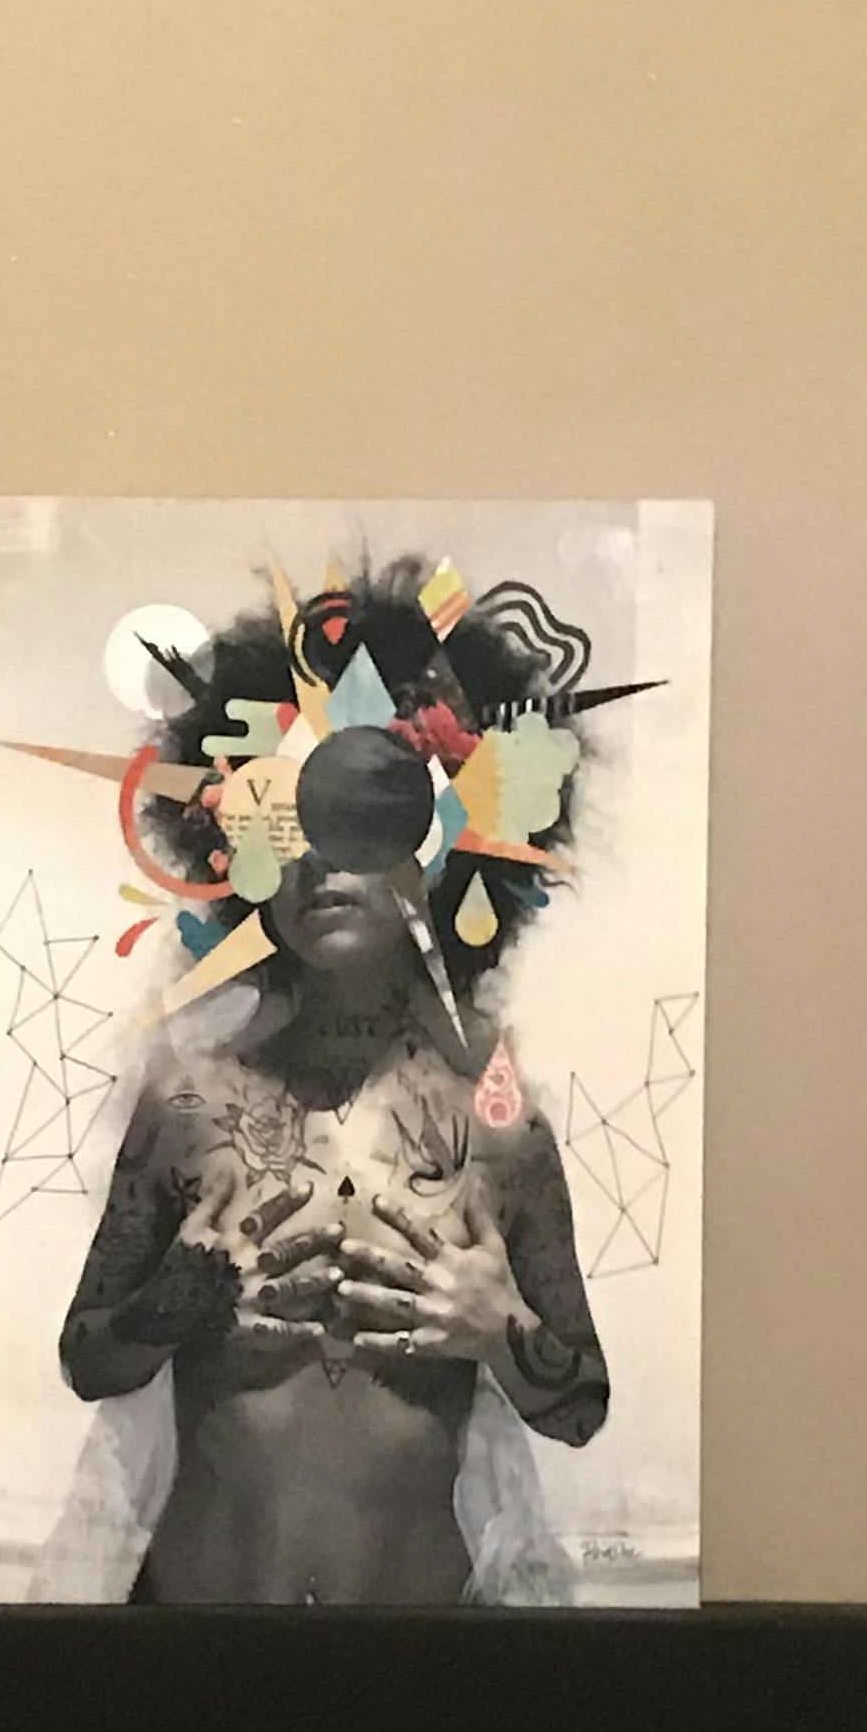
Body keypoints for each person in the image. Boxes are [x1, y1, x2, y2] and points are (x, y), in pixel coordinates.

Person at [54, 560, 623, 1602]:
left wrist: (498, 1325)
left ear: (451, 848)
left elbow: (580, 1403)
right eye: (286, 821)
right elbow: (87, 1360)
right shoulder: (187, 1107)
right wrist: (172, 1302)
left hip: (422, 1659)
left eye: (368, 812)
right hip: (190, 1639)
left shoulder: (499, 1130)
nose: (322, 859)